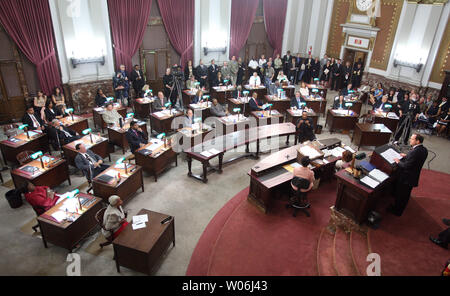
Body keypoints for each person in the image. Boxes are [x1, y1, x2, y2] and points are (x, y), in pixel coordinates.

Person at [388, 134, 428, 217]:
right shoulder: (424, 150)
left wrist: (398, 161)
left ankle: (397, 211)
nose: (410, 140)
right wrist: (407, 156)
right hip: (413, 176)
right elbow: (416, 160)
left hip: (406, 178)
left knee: (401, 195)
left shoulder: (415, 152)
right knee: (405, 194)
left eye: (412, 139)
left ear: (417, 141)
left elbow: (406, 166)